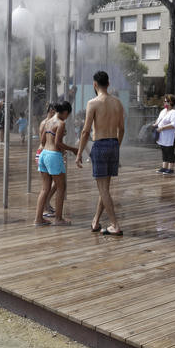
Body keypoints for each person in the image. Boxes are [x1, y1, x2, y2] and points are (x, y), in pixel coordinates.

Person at [76, 71, 125, 236]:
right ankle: (95, 221)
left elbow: (85, 131)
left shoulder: (93, 103)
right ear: (108, 84)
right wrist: (116, 145)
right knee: (104, 187)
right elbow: (122, 129)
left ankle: (115, 224)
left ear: (95, 85)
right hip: (113, 143)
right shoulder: (118, 103)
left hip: (100, 144)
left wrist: (79, 153)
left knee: (103, 189)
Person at [35, 101, 78, 226]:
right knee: (61, 187)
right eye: (67, 115)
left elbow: (42, 140)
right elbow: (58, 143)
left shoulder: (47, 121)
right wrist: (73, 149)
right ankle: (58, 219)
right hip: (53, 155)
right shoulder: (61, 123)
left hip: (43, 154)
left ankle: (38, 219)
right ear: (65, 112)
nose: (67, 118)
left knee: (44, 189)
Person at [153, 94, 175, 175]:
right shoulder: (163, 111)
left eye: (166, 101)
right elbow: (159, 119)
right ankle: (164, 167)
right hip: (163, 135)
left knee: (170, 151)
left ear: (171, 102)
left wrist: (162, 128)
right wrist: (155, 124)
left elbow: (174, 124)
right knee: (164, 150)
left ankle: (171, 168)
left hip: (171, 135)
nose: (164, 102)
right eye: (164, 101)